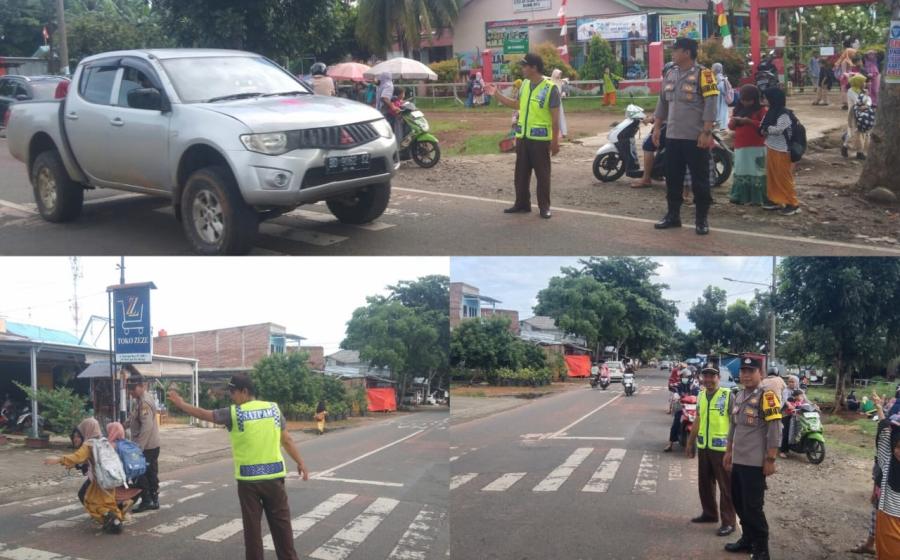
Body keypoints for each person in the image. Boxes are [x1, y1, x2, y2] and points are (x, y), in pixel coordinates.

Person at [167, 374, 308, 560]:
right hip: (274, 480)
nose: (231, 396)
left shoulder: (235, 413)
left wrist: (181, 404)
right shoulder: (274, 409)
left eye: (233, 392)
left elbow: (205, 414)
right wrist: (300, 462)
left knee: (253, 533)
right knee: (283, 530)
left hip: (249, 482)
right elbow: (287, 440)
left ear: (245, 391)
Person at [652, 37, 719, 236]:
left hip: (695, 137)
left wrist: (707, 132)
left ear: (687, 53)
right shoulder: (671, 73)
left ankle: (701, 220)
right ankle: (673, 216)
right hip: (673, 136)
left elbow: (711, 103)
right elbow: (662, 102)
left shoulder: (704, 74)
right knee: (672, 178)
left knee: (700, 181)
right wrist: (657, 127)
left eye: (676, 50)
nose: (672, 53)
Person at [484, 52, 561, 220]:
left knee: (542, 175)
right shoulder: (525, 85)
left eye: (525, 65)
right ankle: (522, 204)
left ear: (534, 68)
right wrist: (496, 94)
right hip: (523, 138)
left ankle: (544, 207)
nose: (522, 68)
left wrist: (555, 141)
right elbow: (516, 104)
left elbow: (556, 118)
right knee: (520, 174)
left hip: (540, 140)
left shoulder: (550, 88)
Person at [723, 354, 782, 560]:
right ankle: (747, 540)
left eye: (751, 371)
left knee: (753, 508)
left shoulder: (767, 396)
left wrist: (771, 459)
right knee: (739, 503)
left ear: (761, 373)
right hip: (738, 460)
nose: (746, 375)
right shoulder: (739, 395)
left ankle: (762, 550)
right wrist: (729, 450)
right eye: (743, 371)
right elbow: (734, 426)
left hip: (755, 464)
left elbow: (774, 428)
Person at [43, 418, 134, 534]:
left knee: (92, 501)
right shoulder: (104, 441)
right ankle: (114, 519)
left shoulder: (89, 444)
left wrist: (58, 460)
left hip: (100, 481)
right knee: (108, 503)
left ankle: (114, 522)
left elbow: (78, 457)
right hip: (110, 478)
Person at [687, 366, 737, 537]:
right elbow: (698, 419)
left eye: (712, 376)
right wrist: (690, 442)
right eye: (705, 376)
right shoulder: (701, 394)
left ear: (719, 377)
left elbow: (735, 422)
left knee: (726, 487)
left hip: (722, 449)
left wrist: (732, 448)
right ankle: (709, 514)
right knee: (705, 484)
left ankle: (729, 522)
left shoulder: (728, 395)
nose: (708, 379)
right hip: (704, 447)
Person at [759, 87, 800, 216]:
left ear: (773, 99)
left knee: (783, 177)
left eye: (766, 98)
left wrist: (766, 129)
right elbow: (761, 127)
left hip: (782, 150)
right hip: (771, 147)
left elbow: (778, 129)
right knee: (772, 176)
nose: (764, 100)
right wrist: (765, 129)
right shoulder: (770, 112)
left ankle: (792, 203)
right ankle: (775, 199)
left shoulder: (784, 114)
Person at [728, 84, 768, 206]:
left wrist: (749, 121)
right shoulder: (737, 109)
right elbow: (730, 126)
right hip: (741, 146)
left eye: (748, 100)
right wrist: (734, 121)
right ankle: (740, 196)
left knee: (757, 171)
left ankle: (757, 197)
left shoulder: (761, 110)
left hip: (757, 146)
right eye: (743, 100)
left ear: (755, 99)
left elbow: (764, 126)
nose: (745, 103)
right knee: (741, 170)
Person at [126, 375, 161, 513]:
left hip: (147, 446)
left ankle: (148, 500)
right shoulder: (140, 400)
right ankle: (153, 500)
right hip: (149, 445)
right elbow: (134, 417)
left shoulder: (144, 403)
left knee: (141, 473)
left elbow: (146, 427)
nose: (131, 392)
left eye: (133, 389)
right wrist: (123, 425)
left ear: (142, 386)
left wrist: (138, 448)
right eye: (129, 389)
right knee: (150, 473)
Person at [874, 411, 900, 557]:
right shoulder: (887, 461)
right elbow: (884, 436)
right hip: (887, 520)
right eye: (898, 447)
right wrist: (880, 409)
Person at [664, 368, 699, 452]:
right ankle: (670, 444)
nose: (686, 378)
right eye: (684, 376)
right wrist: (676, 395)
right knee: (676, 422)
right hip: (682, 407)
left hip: (694, 408)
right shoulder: (678, 385)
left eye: (687, 376)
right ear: (681, 377)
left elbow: (700, 392)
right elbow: (673, 388)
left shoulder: (694, 386)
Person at [843, 73, 873, 161]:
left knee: (864, 132)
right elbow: (858, 101)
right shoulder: (851, 91)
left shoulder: (863, 91)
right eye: (863, 82)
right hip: (853, 115)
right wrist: (866, 99)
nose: (865, 83)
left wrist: (866, 104)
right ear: (858, 82)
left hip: (863, 113)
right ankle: (847, 147)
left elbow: (869, 101)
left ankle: (860, 151)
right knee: (855, 132)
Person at [712, 63, 731, 132]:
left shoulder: (718, 78)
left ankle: (720, 127)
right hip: (722, 100)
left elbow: (722, 89)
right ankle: (722, 126)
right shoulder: (723, 78)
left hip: (718, 99)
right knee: (722, 112)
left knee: (719, 113)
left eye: (712, 68)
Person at [550, 69, 568, 138]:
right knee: (553, 117)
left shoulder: (561, 82)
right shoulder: (551, 82)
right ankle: (553, 133)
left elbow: (564, 88)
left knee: (561, 116)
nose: (559, 76)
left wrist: (563, 93)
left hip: (559, 101)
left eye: (560, 74)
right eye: (558, 74)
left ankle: (563, 132)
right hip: (552, 102)